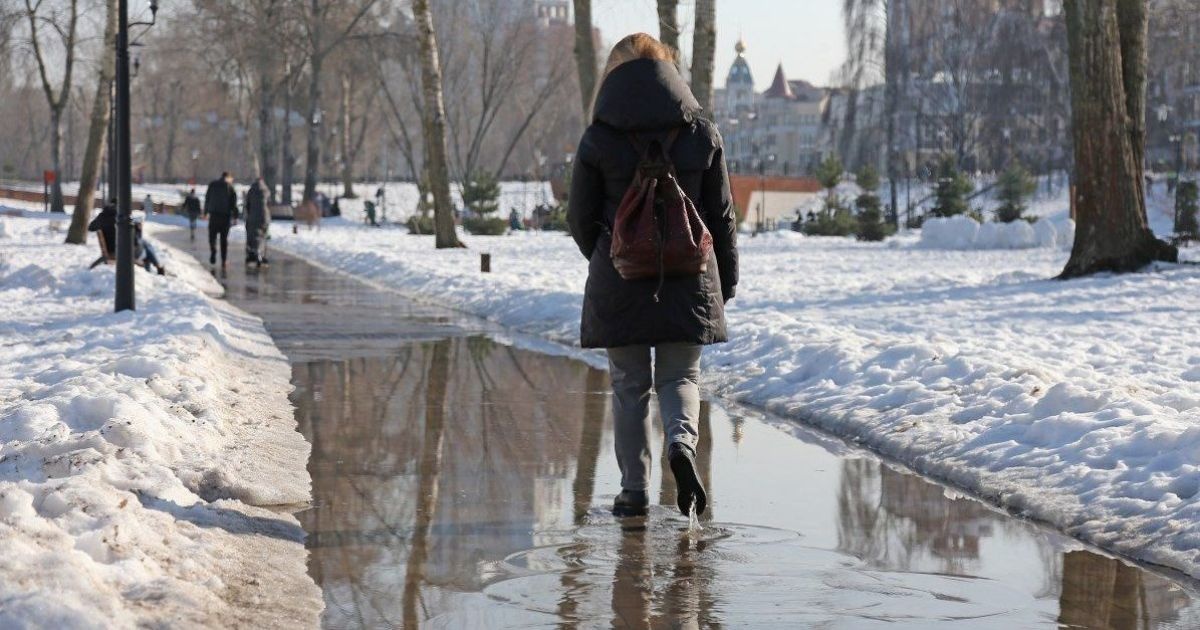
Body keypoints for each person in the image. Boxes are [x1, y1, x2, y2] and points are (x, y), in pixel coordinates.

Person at [567, 33, 738, 518]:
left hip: (620, 279)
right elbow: (722, 215)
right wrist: (723, 278)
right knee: (682, 376)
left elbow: (579, 218)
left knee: (628, 384)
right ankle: (681, 448)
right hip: (689, 277)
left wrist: (607, 257)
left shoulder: (599, 137)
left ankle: (634, 491)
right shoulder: (702, 133)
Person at [203, 172, 238, 268]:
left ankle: (213, 250)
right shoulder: (230, 187)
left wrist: (205, 212)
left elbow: (207, 198)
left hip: (214, 215)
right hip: (225, 217)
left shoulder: (212, 184)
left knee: (212, 236)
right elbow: (233, 203)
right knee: (224, 240)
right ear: (228, 178)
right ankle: (223, 260)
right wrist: (235, 216)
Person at [244, 177, 270, 265]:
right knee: (263, 235)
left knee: (252, 235)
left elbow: (247, 204)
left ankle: (252, 254)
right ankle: (261, 254)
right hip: (264, 217)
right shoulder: (266, 190)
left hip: (253, 216)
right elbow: (268, 204)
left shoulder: (251, 191)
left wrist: (249, 213)